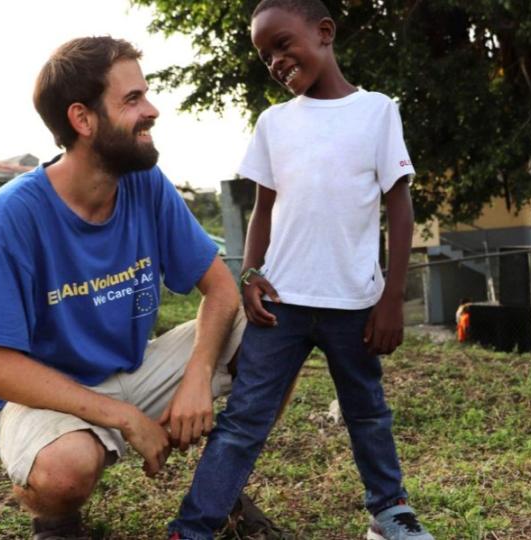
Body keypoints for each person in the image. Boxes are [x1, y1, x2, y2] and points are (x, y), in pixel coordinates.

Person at [0, 36, 261, 540]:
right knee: (63, 469)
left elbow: (222, 290)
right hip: (50, 395)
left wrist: (195, 376)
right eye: (132, 100)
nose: (152, 110)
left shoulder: (145, 182)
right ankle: (56, 523)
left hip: (136, 368)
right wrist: (124, 418)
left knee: (273, 318)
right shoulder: (15, 214)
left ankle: (221, 489)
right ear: (82, 119)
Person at [168, 1, 434, 540]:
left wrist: (392, 296)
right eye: (265, 55)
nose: (275, 60)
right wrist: (249, 276)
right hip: (281, 306)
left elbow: (399, 206)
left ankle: (389, 512)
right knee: (244, 422)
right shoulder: (274, 123)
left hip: (354, 304)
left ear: (325, 32)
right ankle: (193, 528)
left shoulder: (378, 111)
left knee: (367, 414)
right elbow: (264, 209)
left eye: (282, 44)